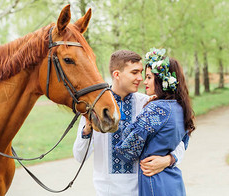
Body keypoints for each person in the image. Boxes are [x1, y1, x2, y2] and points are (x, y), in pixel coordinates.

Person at [73, 50, 186, 195]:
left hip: (143, 189)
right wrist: (87, 129)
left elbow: (179, 141)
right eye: (134, 72)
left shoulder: (149, 104)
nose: (140, 78)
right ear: (117, 75)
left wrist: (169, 160)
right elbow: (79, 156)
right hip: (106, 191)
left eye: (141, 73)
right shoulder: (97, 107)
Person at [113, 48, 196, 196]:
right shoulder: (181, 107)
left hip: (154, 182)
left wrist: (132, 123)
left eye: (149, 77)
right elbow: (184, 142)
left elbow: (127, 151)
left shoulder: (155, 108)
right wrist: (170, 159)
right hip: (173, 180)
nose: (144, 81)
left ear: (161, 80)